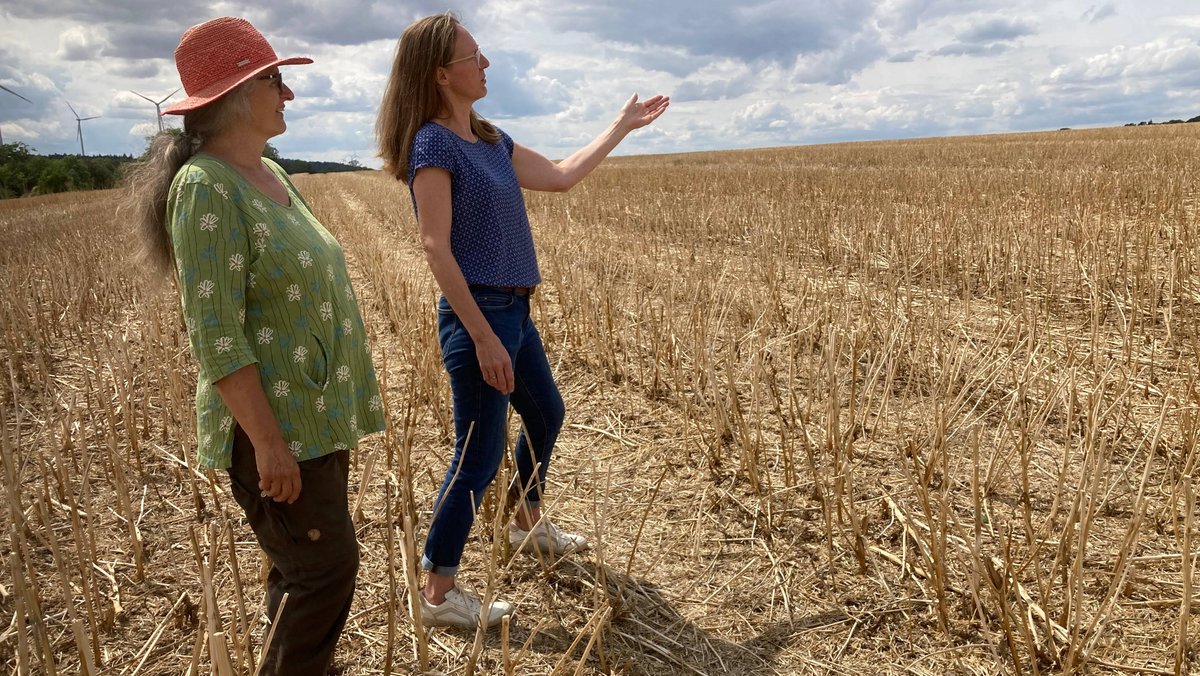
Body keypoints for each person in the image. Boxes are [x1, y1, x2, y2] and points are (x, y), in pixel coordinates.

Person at [376, 13, 668, 629]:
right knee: (477, 453)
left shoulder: (491, 140)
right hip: (479, 313)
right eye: (474, 57)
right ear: (440, 74)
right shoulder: (433, 143)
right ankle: (437, 591)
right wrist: (481, 335)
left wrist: (622, 125)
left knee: (545, 412)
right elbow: (435, 245)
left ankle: (524, 522)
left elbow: (560, 176)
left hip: (514, 306)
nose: (486, 65)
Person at [122, 17, 384, 675]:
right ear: (238, 94)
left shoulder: (268, 171)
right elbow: (214, 333)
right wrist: (267, 443)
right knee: (324, 570)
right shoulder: (206, 187)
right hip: (278, 430)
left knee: (301, 571)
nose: (287, 93)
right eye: (275, 79)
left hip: (314, 417)